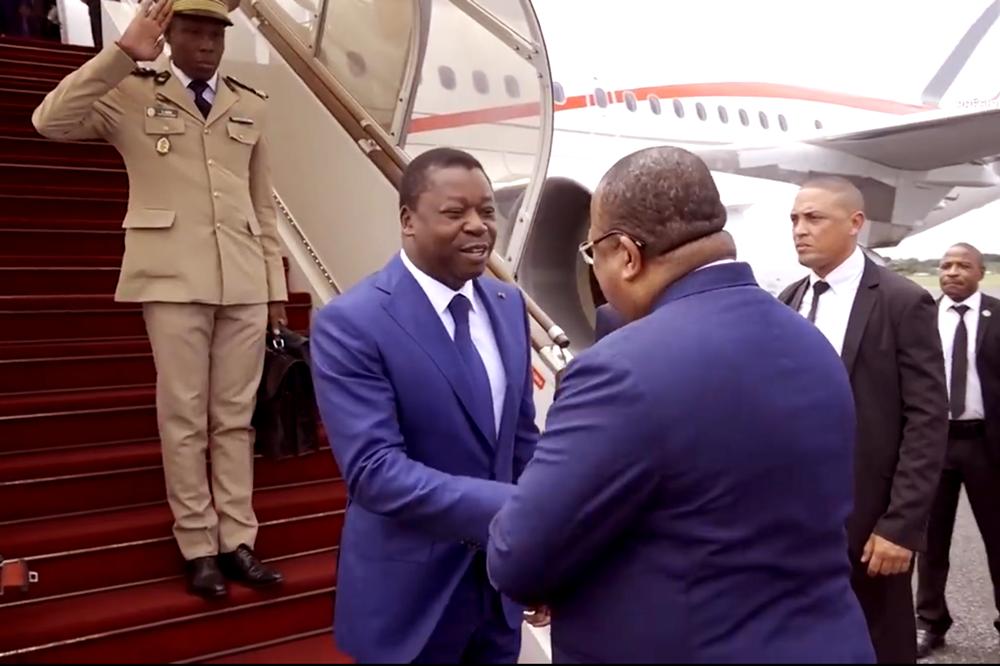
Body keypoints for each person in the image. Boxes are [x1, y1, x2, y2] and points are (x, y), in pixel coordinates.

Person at [486, 146, 874, 663]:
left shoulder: (620, 370)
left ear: (627, 255)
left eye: (593, 254)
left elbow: (519, 558)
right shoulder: (811, 344)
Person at [32, 0, 288, 598]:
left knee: (235, 419)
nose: (208, 44)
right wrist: (122, 54)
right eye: (194, 31)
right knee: (183, 417)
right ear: (169, 36)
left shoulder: (248, 103)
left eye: (216, 33)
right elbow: (50, 120)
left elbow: (262, 204)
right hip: (172, 278)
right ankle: (197, 544)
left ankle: (238, 539)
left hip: (244, 281)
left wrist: (275, 290)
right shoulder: (129, 92)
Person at [310, 147, 542, 664]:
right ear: (408, 220)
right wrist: (521, 510)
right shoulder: (352, 323)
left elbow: (523, 443)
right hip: (409, 604)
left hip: (498, 595)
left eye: (487, 211)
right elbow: (374, 472)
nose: (478, 226)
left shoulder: (508, 306)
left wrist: (543, 549)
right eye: (455, 213)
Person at [778, 177, 949, 663]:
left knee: (880, 643)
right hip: (793, 520)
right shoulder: (788, 300)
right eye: (795, 219)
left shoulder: (901, 301)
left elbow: (926, 419)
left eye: (814, 218)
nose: (800, 230)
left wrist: (901, 526)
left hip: (869, 525)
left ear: (855, 223)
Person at [915, 243, 1000, 657]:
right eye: (946, 265)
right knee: (931, 541)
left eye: (963, 265)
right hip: (935, 442)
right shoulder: (921, 317)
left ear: (980, 272)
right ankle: (930, 621)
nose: (952, 272)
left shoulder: (997, 315)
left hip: (987, 444)